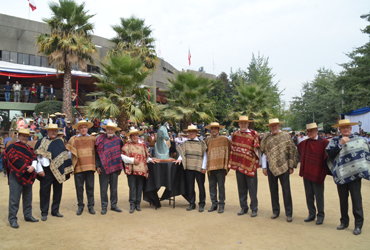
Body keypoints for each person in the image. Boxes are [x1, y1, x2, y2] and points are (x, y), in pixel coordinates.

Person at [326, 119, 370, 235]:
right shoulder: (335, 141)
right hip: (341, 174)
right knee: (343, 200)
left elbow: (366, 154)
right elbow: (330, 155)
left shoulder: (360, 140)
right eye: (343, 127)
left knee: (356, 200)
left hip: (355, 175)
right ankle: (344, 222)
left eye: (347, 127)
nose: (345, 129)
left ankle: (358, 225)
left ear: (351, 129)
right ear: (339, 129)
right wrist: (340, 144)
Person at [260, 118, 299, 223]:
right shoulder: (266, 138)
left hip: (284, 167)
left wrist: (291, 166)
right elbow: (264, 153)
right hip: (270, 167)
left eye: (276, 125)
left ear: (279, 126)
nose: (274, 127)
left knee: (286, 191)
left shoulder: (286, 136)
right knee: (273, 190)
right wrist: (264, 167)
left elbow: (291, 151)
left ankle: (289, 213)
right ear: (269, 127)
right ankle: (275, 211)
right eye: (272, 126)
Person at [34, 123, 73, 221]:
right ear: (47, 131)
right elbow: (37, 158)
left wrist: (66, 170)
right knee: (44, 192)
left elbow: (64, 156)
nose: (53, 132)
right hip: (46, 171)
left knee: (58, 191)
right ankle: (44, 212)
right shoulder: (41, 141)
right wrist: (40, 170)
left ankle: (55, 210)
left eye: (55, 131)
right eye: (51, 130)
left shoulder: (60, 142)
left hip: (58, 171)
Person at [3, 128, 40, 228]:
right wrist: (25, 168)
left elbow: (34, 158)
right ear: (18, 136)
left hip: (28, 175)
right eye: (23, 135)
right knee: (14, 198)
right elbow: (13, 159)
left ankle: (28, 215)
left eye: (26, 136)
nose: (25, 137)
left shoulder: (29, 148)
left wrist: (33, 166)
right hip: (16, 175)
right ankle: (12, 219)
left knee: (28, 197)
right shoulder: (12, 147)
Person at [297, 123, 329, 225]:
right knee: (309, 194)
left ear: (316, 131)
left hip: (318, 173)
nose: (309, 133)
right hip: (307, 172)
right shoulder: (304, 143)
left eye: (311, 131)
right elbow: (299, 152)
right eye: (308, 131)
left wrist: (324, 171)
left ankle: (320, 215)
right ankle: (311, 214)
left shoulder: (324, 143)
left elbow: (328, 158)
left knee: (319, 195)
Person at [228, 116, 260, 217]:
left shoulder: (254, 134)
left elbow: (258, 149)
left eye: (245, 123)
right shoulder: (234, 135)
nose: (243, 124)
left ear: (248, 124)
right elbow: (231, 148)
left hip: (250, 166)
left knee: (252, 188)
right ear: (238, 124)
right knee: (241, 188)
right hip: (239, 165)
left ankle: (254, 208)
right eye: (241, 123)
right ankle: (243, 207)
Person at [66, 120, 97, 215]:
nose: (83, 129)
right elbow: (69, 154)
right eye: (81, 128)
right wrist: (69, 166)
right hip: (78, 167)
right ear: (78, 129)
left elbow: (98, 152)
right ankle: (80, 206)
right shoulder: (73, 139)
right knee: (79, 188)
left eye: (85, 127)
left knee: (90, 187)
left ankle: (91, 206)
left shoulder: (93, 139)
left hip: (90, 166)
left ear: (87, 128)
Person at [174, 125, 207, 212]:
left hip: (199, 168)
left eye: (193, 131)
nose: (191, 133)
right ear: (188, 133)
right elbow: (182, 154)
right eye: (190, 131)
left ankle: (202, 204)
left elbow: (205, 156)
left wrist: (204, 167)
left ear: (196, 132)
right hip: (189, 167)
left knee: (201, 186)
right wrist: (179, 160)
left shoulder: (202, 143)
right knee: (190, 186)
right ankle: (192, 203)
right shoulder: (185, 143)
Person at [122, 128, 155, 213]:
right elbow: (123, 157)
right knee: (132, 187)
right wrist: (132, 160)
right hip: (131, 170)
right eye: (133, 135)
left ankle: (138, 204)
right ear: (130, 136)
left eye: (136, 135)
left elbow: (146, 157)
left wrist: (151, 160)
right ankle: (132, 204)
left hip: (141, 170)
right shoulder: (126, 146)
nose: (135, 137)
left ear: (138, 136)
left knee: (139, 187)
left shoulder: (142, 145)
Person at [95, 122, 124, 215]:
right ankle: (104, 206)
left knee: (114, 188)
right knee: (103, 188)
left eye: (112, 129)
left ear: (114, 130)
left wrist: (120, 167)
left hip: (115, 167)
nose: (110, 130)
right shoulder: (100, 139)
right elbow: (96, 154)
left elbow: (121, 153)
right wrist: (98, 165)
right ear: (106, 130)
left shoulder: (118, 140)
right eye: (108, 129)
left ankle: (114, 205)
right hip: (103, 167)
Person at [204, 122, 230, 213]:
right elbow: (204, 154)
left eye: (215, 128)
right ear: (210, 130)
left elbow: (228, 151)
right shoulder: (207, 140)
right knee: (212, 186)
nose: (214, 130)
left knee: (221, 186)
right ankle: (214, 204)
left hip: (221, 167)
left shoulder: (224, 139)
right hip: (211, 167)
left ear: (218, 130)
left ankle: (221, 204)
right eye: (212, 129)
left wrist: (226, 164)